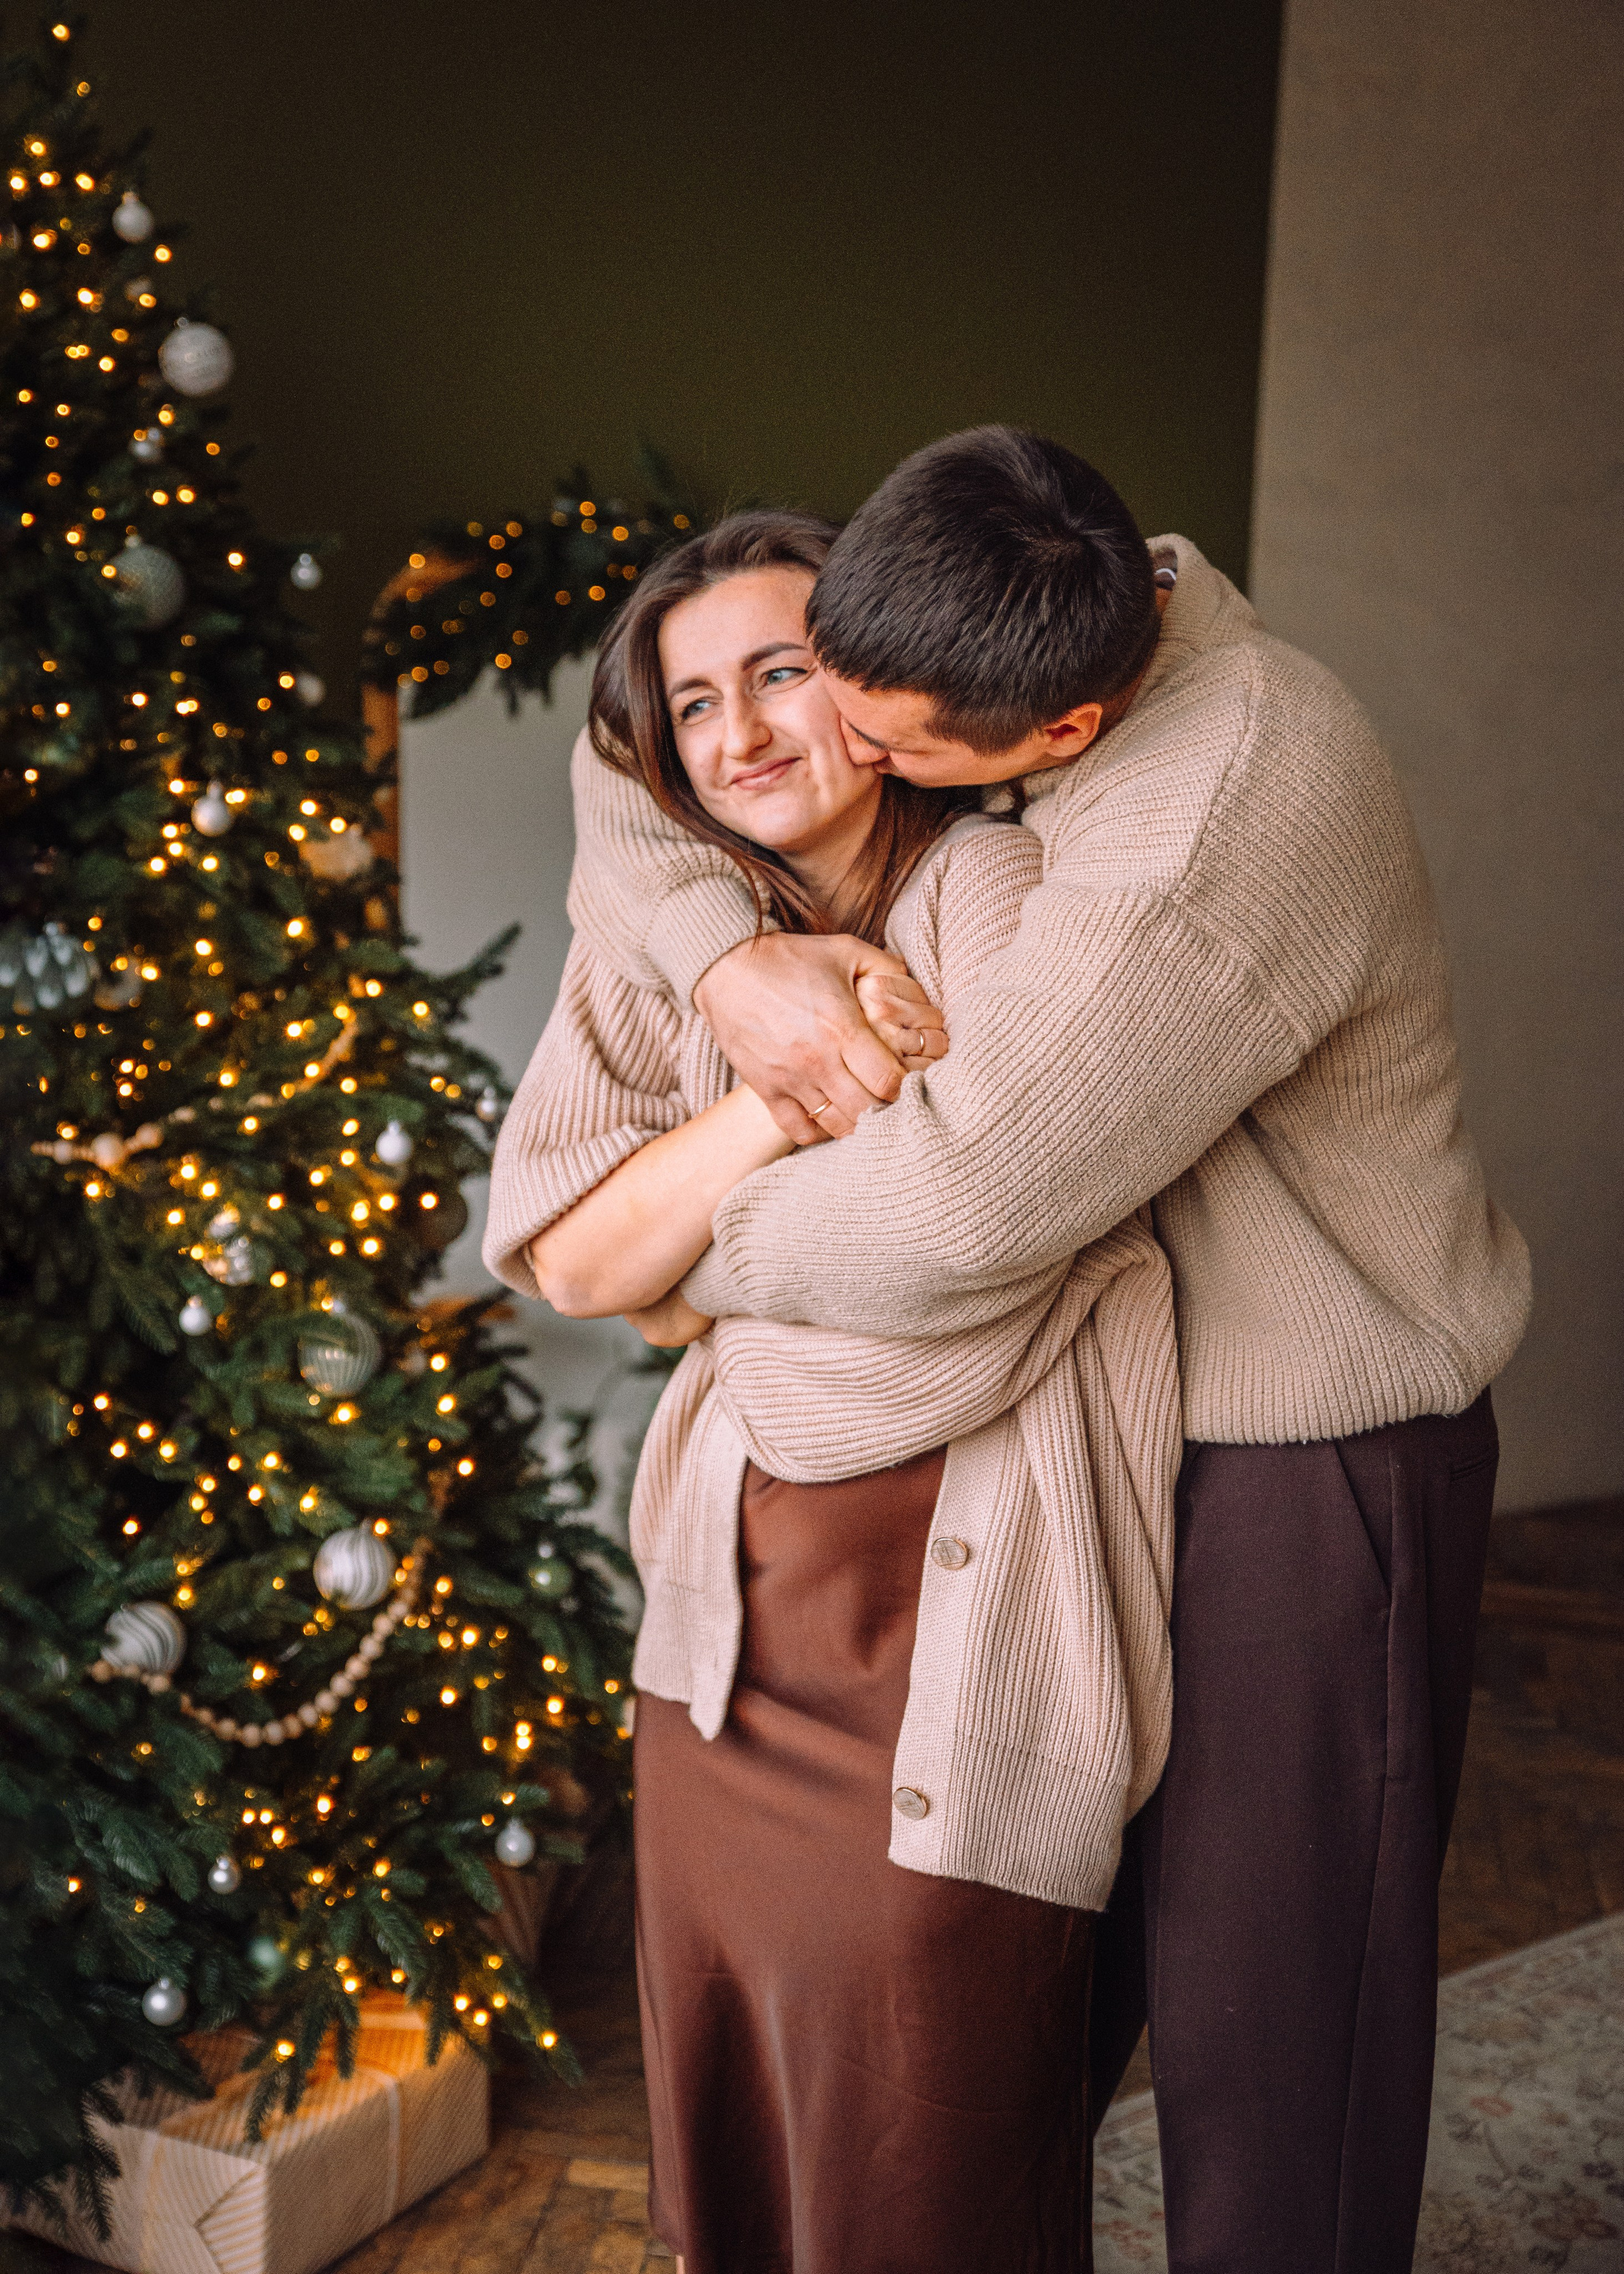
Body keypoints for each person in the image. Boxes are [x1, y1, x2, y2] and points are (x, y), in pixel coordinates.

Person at [561, 431, 1533, 2274]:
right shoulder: (1003, 584)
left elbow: (957, 1215)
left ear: (1058, 745)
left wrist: (679, 1257)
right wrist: (723, 960)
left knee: (1274, 2060)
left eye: (890, 742)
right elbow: (633, 748)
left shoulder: (1224, 804)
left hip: (1299, 1459)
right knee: (1027, 2031)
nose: (833, 750)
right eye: (815, 688)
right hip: (1101, 1429)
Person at [484, 511, 1182, 2274]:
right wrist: (769, 1091)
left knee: (929, 2171)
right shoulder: (668, 946)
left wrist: (680, 1270)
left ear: (868, 684)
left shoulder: (1003, 901)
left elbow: (952, 1278)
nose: (742, 734)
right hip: (728, 1656)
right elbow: (561, 1258)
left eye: (782, 671)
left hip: (953, 1664)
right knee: (736, 2152)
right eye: (697, 702)